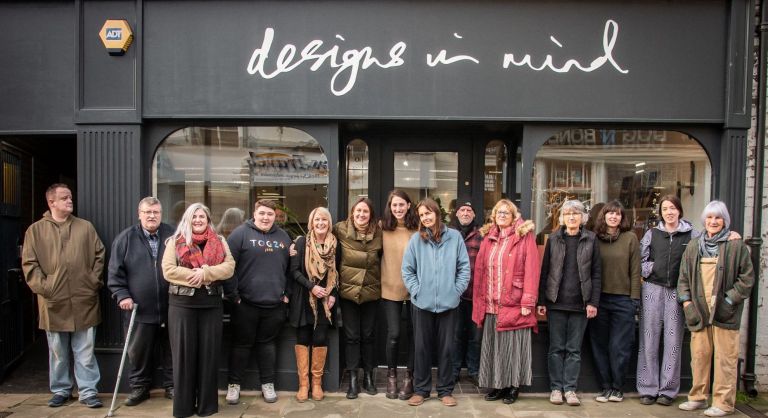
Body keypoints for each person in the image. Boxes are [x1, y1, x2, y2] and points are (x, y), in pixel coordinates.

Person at [22, 183, 106, 408]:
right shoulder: (35, 231)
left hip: (84, 299)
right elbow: (29, 264)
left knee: (85, 351)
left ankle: (88, 392)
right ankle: (61, 390)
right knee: (57, 351)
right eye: (64, 198)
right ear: (51, 202)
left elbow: (99, 255)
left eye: (70, 197)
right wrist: (46, 288)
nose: (70, 200)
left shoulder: (85, 227)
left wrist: (92, 282)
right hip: (53, 302)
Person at [677, 201, 753, 417]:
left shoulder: (736, 246)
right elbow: (683, 277)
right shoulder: (694, 246)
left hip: (724, 313)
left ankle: (724, 403)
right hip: (699, 312)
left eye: (718, 218)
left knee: (725, 359)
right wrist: (687, 303)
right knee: (699, 356)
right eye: (709, 217)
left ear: (724, 221)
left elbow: (746, 279)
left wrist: (729, 301)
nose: (713, 222)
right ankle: (698, 397)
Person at [162, 203, 234, 418]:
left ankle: (207, 406)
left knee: (208, 356)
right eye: (194, 217)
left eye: (202, 216)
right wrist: (194, 275)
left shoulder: (219, 241)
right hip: (182, 306)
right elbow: (168, 270)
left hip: (211, 305)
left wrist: (206, 273)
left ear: (208, 219)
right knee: (184, 357)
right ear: (187, 219)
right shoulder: (175, 242)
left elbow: (229, 266)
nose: (198, 220)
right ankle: (183, 408)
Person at [401, 198, 470, 407]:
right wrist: (417, 291)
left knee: (447, 348)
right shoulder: (416, 240)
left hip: (449, 304)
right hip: (422, 304)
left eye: (428, 213)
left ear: (437, 213)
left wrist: (455, 291)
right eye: (422, 215)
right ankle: (421, 390)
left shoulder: (455, 237)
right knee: (421, 348)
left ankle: (445, 390)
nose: (425, 218)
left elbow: (464, 269)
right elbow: (407, 270)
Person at [224, 199, 292, 404]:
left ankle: (268, 384)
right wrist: (234, 296)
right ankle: (234, 385)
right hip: (245, 304)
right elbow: (227, 268)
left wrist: (286, 294)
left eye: (270, 214)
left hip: (275, 304)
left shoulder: (284, 237)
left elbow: (291, 269)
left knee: (268, 345)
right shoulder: (239, 234)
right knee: (241, 346)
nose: (266, 217)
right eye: (262, 213)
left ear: (275, 216)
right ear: (255, 213)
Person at [107, 196, 175, 406]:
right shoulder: (125, 238)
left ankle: (172, 385)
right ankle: (140, 388)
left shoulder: (172, 235)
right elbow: (114, 273)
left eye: (156, 212)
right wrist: (122, 295)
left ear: (161, 214)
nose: (152, 216)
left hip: (171, 307)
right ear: (140, 214)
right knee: (138, 352)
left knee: (172, 350)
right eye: (148, 212)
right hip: (139, 309)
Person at [472, 199, 540, 404]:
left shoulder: (524, 236)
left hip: (514, 302)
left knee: (513, 349)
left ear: (514, 216)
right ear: (493, 216)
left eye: (506, 213)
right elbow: (481, 271)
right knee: (494, 349)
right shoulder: (488, 238)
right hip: (491, 304)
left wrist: (528, 302)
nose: (502, 215)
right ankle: (498, 385)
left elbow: (532, 268)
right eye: (498, 212)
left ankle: (513, 387)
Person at [537, 199, 601, 407]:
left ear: (582, 217)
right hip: (556, 302)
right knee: (556, 348)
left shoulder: (591, 240)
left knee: (574, 349)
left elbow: (596, 274)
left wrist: (593, 302)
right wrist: (541, 300)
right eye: (567, 214)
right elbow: (545, 271)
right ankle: (556, 388)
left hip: (580, 304)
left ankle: (570, 389)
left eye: (575, 213)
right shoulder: (554, 239)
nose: (571, 217)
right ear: (562, 218)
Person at [636, 194, 697, 406]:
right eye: (665, 209)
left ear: (679, 210)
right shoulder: (652, 233)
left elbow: (703, 252)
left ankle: (668, 390)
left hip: (676, 292)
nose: (669, 212)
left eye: (672, 208)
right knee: (649, 340)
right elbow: (640, 258)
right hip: (653, 289)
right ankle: (647, 388)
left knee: (672, 342)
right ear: (660, 213)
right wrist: (650, 269)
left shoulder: (692, 234)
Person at [589, 200, 641, 403]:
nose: (613, 217)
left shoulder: (630, 238)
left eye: (617, 214)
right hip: (599, 299)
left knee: (619, 346)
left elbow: (636, 271)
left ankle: (617, 387)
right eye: (610, 213)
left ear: (622, 218)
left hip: (623, 300)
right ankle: (605, 386)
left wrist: (634, 299)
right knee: (599, 345)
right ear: (603, 216)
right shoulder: (595, 238)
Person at [288, 207, 339, 402]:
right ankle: (304, 385)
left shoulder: (335, 245)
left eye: (324, 220)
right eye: (317, 220)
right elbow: (294, 272)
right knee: (303, 338)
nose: (320, 223)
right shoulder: (301, 243)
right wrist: (312, 287)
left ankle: (317, 384)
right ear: (311, 222)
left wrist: (333, 294)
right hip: (304, 298)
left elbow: (337, 272)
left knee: (320, 338)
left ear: (329, 223)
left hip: (324, 301)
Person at [334, 197, 383, 399]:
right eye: (358, 211)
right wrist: (298, 245)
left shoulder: (379, 233)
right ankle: (353, 378)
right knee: (352, 337)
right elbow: (318, 238)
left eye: (365, 211)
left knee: (369, 336)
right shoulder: (340, 229)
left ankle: (368, 376)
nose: (361, 215)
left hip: (371, 291)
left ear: (370, 215)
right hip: (348, 292)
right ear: (352, 212)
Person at [380, 189, 419, 400]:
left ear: (408, 205)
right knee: (394, 334)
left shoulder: (418, 228)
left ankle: (409, 377)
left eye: (401, 205)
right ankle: (392, 375)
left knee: (414, 334)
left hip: (415, 290)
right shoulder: (382, 227)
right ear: (390, 206)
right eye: (394, 205)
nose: (398, 209)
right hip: (390, 287)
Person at [450, 198, 483, 386]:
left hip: (475, 294)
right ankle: (453, 370)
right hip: (454, 295)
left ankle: (474, 370)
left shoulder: (481, 235)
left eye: (469, 210)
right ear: (456, 213)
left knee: (474, 336)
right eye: (462, 210)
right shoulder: (449, 233)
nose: (465, 213)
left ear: (474, 214)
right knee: (455, 335)